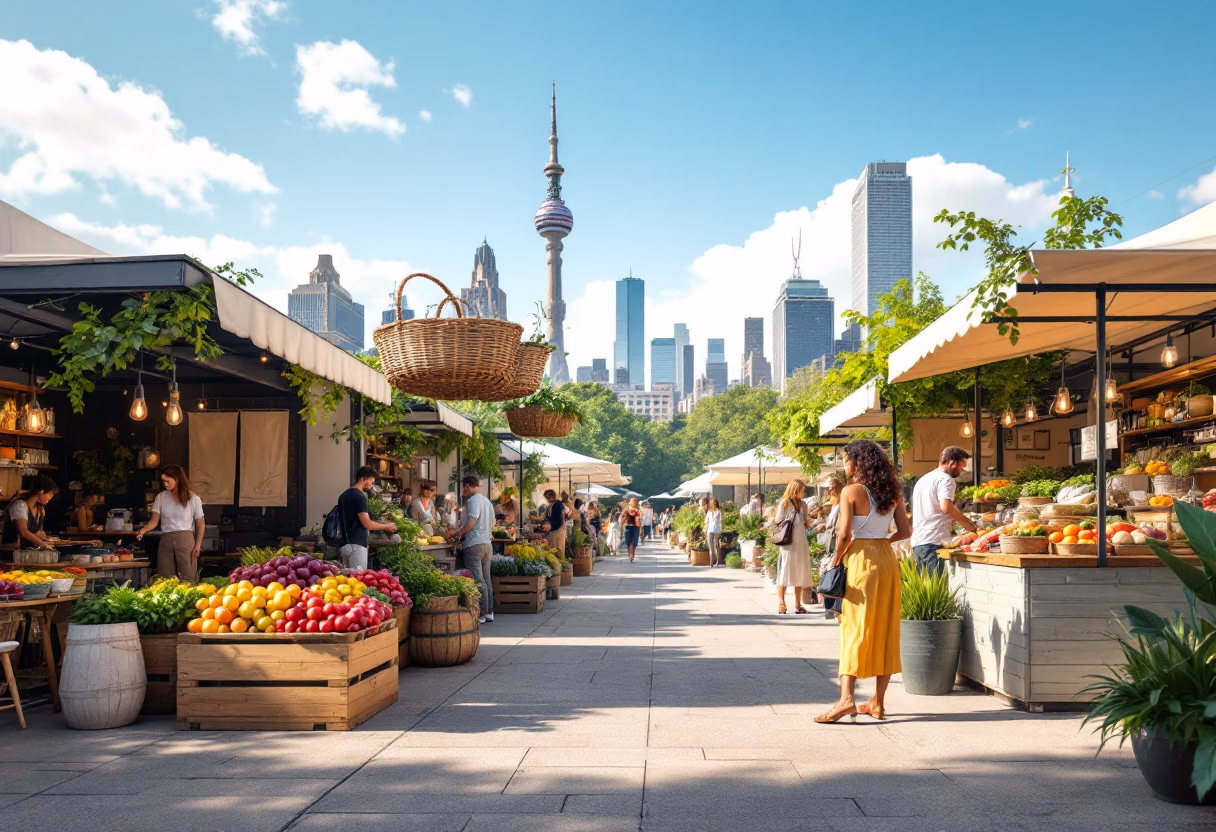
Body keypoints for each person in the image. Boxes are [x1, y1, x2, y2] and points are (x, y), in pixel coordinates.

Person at [815, 439, 911, 725]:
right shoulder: (893, 491)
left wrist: (834, 561)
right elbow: (905, 530)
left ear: (857, 462)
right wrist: (882, 540)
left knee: (854, 627)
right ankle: (878, 703)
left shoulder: (851, 491)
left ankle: (846, 700)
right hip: (886, 559)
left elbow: (844, 534)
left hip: (860, 561)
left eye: (846, 460)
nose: (845, 465)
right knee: (884, 626)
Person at [911, 446, 977, 575]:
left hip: (918, 543)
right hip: (934, 544)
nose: (962, 471)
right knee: (939, 591)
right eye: (961, 467)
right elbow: (946, 507)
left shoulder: (923, 480)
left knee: (928, 592)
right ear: (952, 463)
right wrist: (971, 526)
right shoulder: (946, 480)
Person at [136, 464, 206, 580]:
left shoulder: (193, 498)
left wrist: (197, 545)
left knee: (188, 577)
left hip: (185, 538)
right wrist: (142, 531)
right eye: (163, 481)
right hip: (166, 540)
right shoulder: (161, 497)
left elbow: (200, 524)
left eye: (168, 481)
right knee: (165, 577)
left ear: (177, 479)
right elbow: (154, 521)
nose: (165, 484)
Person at [330, 466, 397, 572]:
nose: (373, 483)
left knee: (346, 582)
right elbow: (367, 524)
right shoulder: (360, 497)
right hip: (356, 544)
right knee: (358, 579)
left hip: (344, 544)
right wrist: (387, 526)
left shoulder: (344, 495)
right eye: (372, 480)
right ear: (364, 478)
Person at [455, 475, 495, 624]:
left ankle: (482, 613)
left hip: (474, 545)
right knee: (486, 579)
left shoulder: (473, 501)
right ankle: (490, 611)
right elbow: (492, 523)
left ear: (466, 486)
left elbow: (471, 522)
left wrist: (458, 533)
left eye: (463, 487)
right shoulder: (487, 501)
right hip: (487, 544)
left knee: (478, 580)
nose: (462, 491)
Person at [773, 479, 814, 613]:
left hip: (800, 541)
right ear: (795, 490)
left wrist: (808, 521)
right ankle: (781, 603)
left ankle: (798, 604)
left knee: (800, 571)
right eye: (801, 490)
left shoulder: (803, 505)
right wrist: (789, 518)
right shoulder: (784, 504)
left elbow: (805, 523)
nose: (803, 493)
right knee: (785, 570)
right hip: (788, 542)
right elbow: (777, 521)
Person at [815, 478, 846, 620]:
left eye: (832, 488)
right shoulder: (835, 506)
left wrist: (829, 527)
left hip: (835, 545)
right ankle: (830, 609)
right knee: (830, 574)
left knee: (834, 574)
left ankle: (833, 609)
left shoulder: (841, 506)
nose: (829, 491)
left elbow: (840, 526)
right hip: (830, 544)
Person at [2, 476, 58, 549]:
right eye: (48, 498)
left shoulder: (38, 508)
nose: (48, 501)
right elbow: (23, 532)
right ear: (41, 492)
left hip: (27, 551)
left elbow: (38, 533)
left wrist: (49, 542)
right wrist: (42, 544)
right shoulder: (20, 506)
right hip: (12, 551)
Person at [543, 489, 567, 555]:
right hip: (558, 530)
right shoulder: (556, 504)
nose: (547, 500)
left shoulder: (557, 505)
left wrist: (550, 527)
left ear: (552, 496)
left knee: (557, 551)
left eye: (547, 498)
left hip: (558, 531)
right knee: (557, 551)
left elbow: (557, 520)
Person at [704, 498, 724, 567]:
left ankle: (711, 562)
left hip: (710, 530)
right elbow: (721, 521)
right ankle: (717, 561)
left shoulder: (709, 512)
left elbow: (706, 522)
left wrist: (705, 530)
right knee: (717, 546)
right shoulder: (719, 512)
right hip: (717, 530)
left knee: (711, 546)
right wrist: (721, 530)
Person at [622, 497, 642, 563]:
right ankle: (631, 554)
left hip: (633, 527)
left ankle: (631, 554)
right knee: (630, 543)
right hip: (631, 528)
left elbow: (639, 520)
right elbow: (623, 518)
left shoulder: (637, 511)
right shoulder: (628, 510)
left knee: (632, 543)